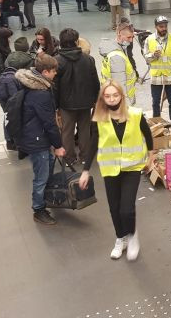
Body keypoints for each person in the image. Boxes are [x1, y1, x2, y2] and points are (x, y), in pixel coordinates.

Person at [79, 80, 154, 261]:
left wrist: (151, 155)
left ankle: (132, 235)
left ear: (121, 95)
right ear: (103, 98)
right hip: (109, 167)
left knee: (126, 209)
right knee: (114, 208)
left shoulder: (135, 114)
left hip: (132, 166)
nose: (112, 99)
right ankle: (120, 239)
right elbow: (93, 143)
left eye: (115, 95)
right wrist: (85, 170)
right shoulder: (99, 118)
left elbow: (147, 133)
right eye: (107, 96)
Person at [14, 54, 66, 225]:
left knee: (46, 167)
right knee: (41, 176)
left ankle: (45, 199)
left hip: (33, 135)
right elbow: (49, 123)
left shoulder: (33, 83)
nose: (55, 74)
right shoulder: (40, 93)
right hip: (37, 140)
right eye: (53, 71)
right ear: (44, 72)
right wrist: (58, 145)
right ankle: (39, 209)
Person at [55, 28, 100, 166]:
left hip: (65, 104)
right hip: (86, 103)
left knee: (67, 131)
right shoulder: (88, 59)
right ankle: (85, 157)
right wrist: (94, 100)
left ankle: (69, 158)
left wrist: (56, 106)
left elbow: (54, 86)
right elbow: (95, 83)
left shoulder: (57, 61)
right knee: (84, 130)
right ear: (76, 41)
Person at [143, 16, 171, 122]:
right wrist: (153, 55)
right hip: (156, 76)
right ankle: (156, 123)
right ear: (156, 27)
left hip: (170, 76)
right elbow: (146, 59)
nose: (164, 28)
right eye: (161, 26)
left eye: (165, 26)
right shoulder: (149, 40)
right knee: (156, 102)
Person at [100, 24, 137, 105]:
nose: (131, 40)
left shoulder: (117, 49)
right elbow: (119, 85)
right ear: (119, 35)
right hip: (121, 103)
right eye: (128, 37)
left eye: (132, 37)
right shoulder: (116, 57)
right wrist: (124, 106)